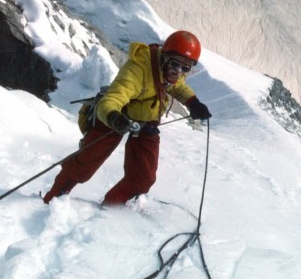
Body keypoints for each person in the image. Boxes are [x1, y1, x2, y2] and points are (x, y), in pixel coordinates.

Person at [42, 30, 212, 205]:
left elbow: (178, 86)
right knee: (83, 166)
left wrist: (192, 102)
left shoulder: (168, 70)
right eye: (175, 64)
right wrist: (114, 118)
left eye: (186, 68)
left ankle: (111, 207)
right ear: (165, 56)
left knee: (142, 179)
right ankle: (52, 199)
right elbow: (112, 99)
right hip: (115, 116)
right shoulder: (138, 69)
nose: (179, 72)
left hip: (146, 119)